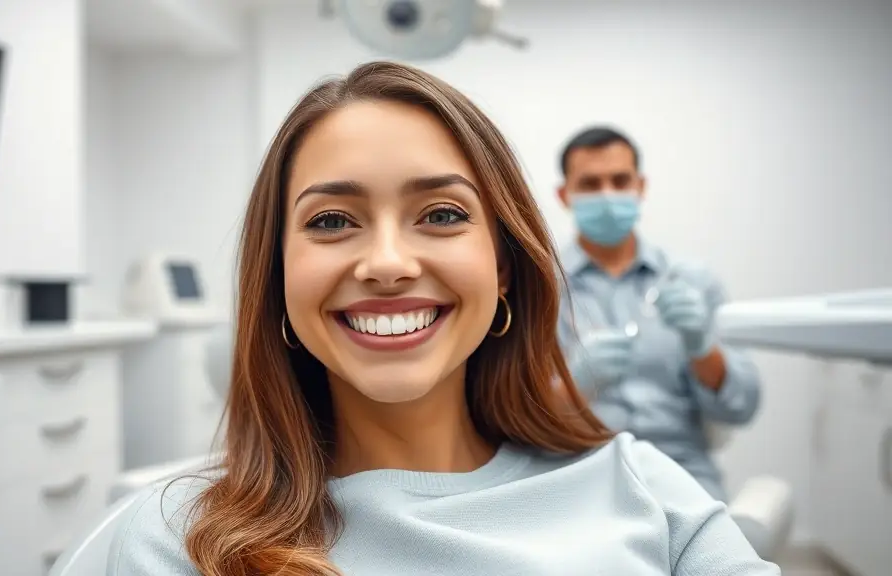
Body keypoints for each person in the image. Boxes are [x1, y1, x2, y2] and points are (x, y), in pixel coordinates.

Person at [109, 63, 778, 575]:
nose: (389, 263)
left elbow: (740, 404)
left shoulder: (644, 489)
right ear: (277, 277)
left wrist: (702, 348)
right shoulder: (172, 539)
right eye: (332, 221)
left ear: (504, 265)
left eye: (443, 214)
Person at [554, 126, 763, 502]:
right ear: (564, 194)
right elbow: (505, 417)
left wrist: (702, 347)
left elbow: (743, 406)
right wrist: (573, 385)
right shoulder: (537, 288)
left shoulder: (691, 281)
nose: (607, 195)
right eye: (590, 183)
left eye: (620, 180)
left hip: (683, 473)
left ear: (641, 186)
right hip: (576, 471)